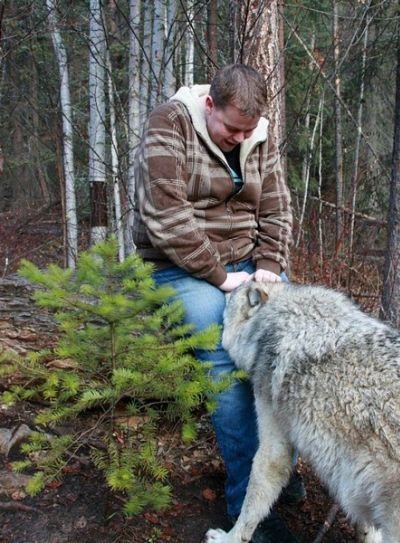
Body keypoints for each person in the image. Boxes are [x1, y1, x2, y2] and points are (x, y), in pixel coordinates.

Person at [134, 64, 301, 542]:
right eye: (232, 128)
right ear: (210, 105)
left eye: (248, 130)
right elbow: (164, 215)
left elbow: (276, 207)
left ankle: (282, 473)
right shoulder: (168, 123)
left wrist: (269, 263)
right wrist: (221, 277)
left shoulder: (257, 134)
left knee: (289, 344)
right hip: (179, 265)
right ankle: (252, 510)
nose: (239, 137)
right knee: (223, 351)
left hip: (247, 262)